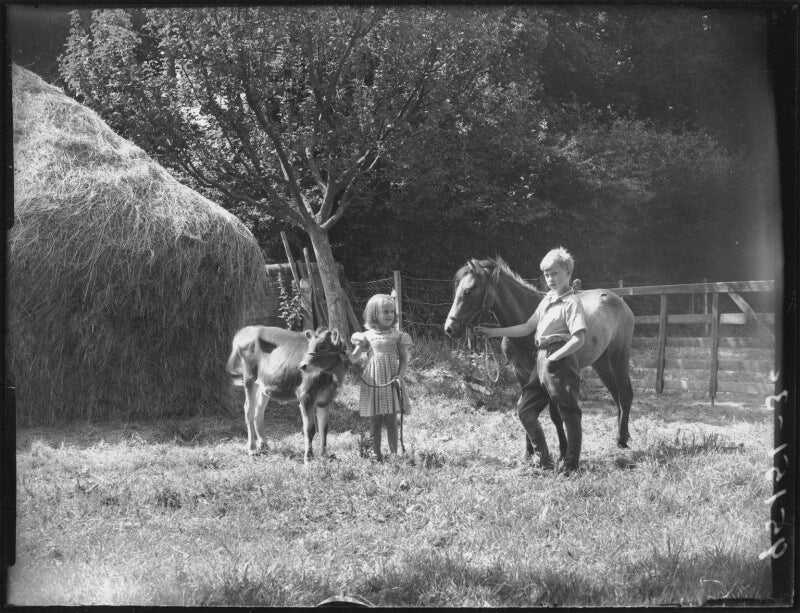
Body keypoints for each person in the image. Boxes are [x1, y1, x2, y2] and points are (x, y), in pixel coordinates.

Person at [474, 247, 586, 473]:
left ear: (568, 273)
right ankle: (543, 459)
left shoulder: (572, 303)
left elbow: (579, 339)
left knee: (568, 412)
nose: (550, 279)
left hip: (560, 359)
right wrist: (492, 332)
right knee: (525, 409)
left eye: (555, 273)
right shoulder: (546, 300)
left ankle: (571, 465)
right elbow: (527, 327)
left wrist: (555, 357)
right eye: (546, 274)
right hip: (541, 358)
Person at [350, 293, 412, 461]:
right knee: (375, 420)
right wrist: (343, 355)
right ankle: (376, 454)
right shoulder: (366, 336)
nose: (390, 315)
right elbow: (354, 357)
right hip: (373, 381)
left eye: (392, 312)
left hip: (391, 380)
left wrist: (400, 376)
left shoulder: (398, 336)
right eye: (385, 312)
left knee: (391, 419)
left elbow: (404, 359)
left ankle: (393, 455)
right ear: (374, 314)